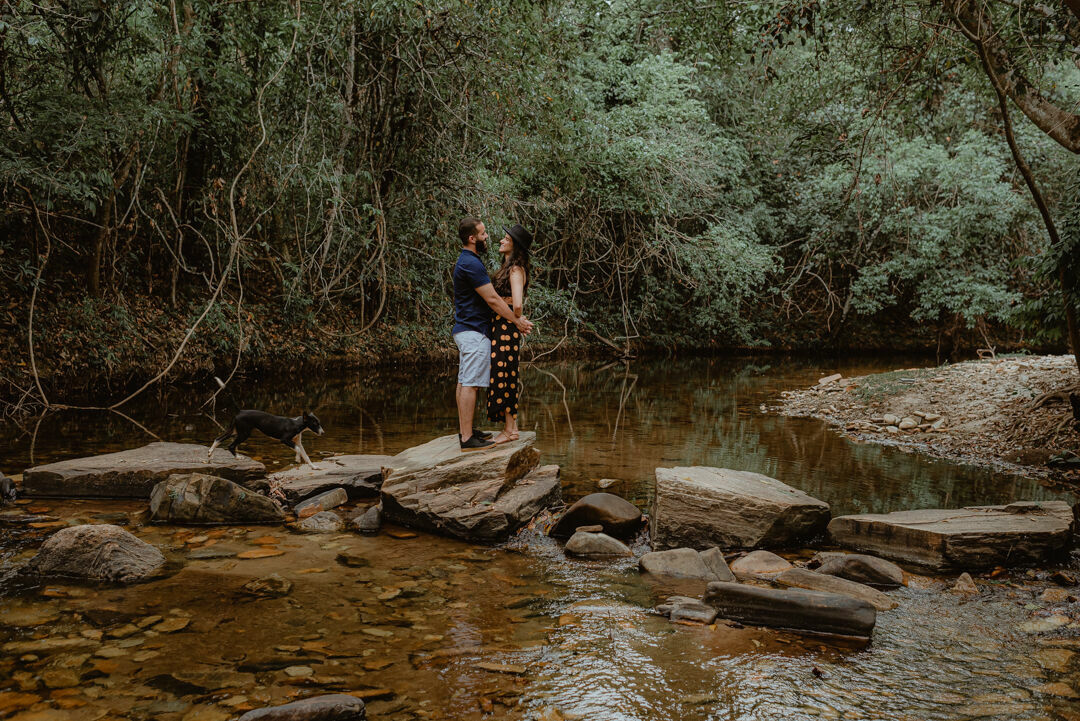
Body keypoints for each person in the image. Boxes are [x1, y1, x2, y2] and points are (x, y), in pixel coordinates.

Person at [452, 217, 534, 451]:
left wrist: (517, 318)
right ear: (472, 238)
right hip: (476, 331)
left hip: (488, 330)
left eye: (505, 238)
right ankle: (468, 436)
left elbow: (507, 302)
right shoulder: (472, 263)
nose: (489, 237)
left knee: (482, 379)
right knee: (471, 382)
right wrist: (517, 319)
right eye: (483, 233)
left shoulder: (480, 263)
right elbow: (492, 300)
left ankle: (477, 433)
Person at [487, 224, 532, 444]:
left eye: (506, 239)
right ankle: (511, 428)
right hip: (502, 327)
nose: (501, 241)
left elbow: (517, 304)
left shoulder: (515, 270)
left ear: (515, 246)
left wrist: (516, 318)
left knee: (505, 376)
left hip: (506, 329)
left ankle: (510, 430)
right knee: (503, 375)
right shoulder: (508, 267)